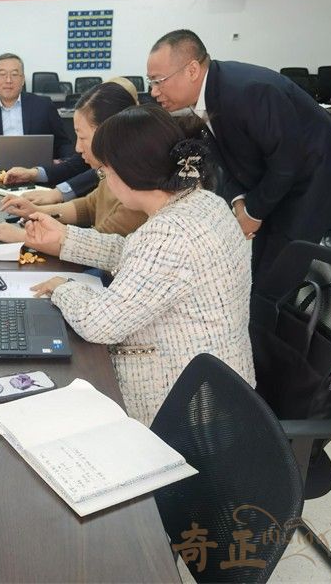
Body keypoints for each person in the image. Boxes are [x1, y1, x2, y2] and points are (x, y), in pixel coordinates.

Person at [25, 104, 255, 425]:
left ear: (129, 172)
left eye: (105, 172)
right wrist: (65, 239)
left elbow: (98, 323)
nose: (106, 182)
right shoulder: (204, 202)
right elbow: (136, 256)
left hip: (184, 409)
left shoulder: (170, 232)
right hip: (216, 388)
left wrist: (64, 289)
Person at [146, 29, 331, 288]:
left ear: (192, 70)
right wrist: (240, 201)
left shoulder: (248, 92)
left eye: (159, 81)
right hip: (280, 175)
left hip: (317, 175)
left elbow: (286, 163)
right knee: (262, 262)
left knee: (281, 265)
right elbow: (227, 156)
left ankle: (272, 308)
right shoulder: (208, 92)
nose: (154, 91)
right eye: (151, 82)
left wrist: (253, 211)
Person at [0, 82, 146, 249]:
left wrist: (21, 236)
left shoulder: (139, 190)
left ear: (109, 134)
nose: (78, 148)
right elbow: (89, 206)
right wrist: (35, 211)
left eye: (83, 137)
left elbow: (99, 249)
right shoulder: (112, 172)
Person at [0, 77, 139, 204]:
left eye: (82, 137)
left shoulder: (134, 182)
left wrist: (58, 194)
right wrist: (33, 174)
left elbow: (96, 177)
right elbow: (76, 165)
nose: (78, 147)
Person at [0, 53, 74, 161]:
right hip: (0, 171)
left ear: (23, 79)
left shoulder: (44, 106)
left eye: (14, 74)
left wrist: (62, 161)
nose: (8, 80)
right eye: (2, 74)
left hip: (38, 169)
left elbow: (63, 144)